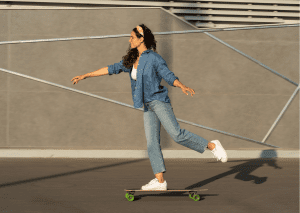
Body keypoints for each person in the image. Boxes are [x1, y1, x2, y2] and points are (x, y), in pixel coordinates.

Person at [71, 24, 228, 191]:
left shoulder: (154, 58)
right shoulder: (131, 60)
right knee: (152, 143)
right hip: (147, 105)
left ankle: (212, 145)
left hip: (159, 101)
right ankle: (160, 181)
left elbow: (167, 74)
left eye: (132, 37)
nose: (129, 40)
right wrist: (86, 75)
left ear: (141, 39)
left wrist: (181, 85)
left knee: (176, 134)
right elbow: (111, 68)